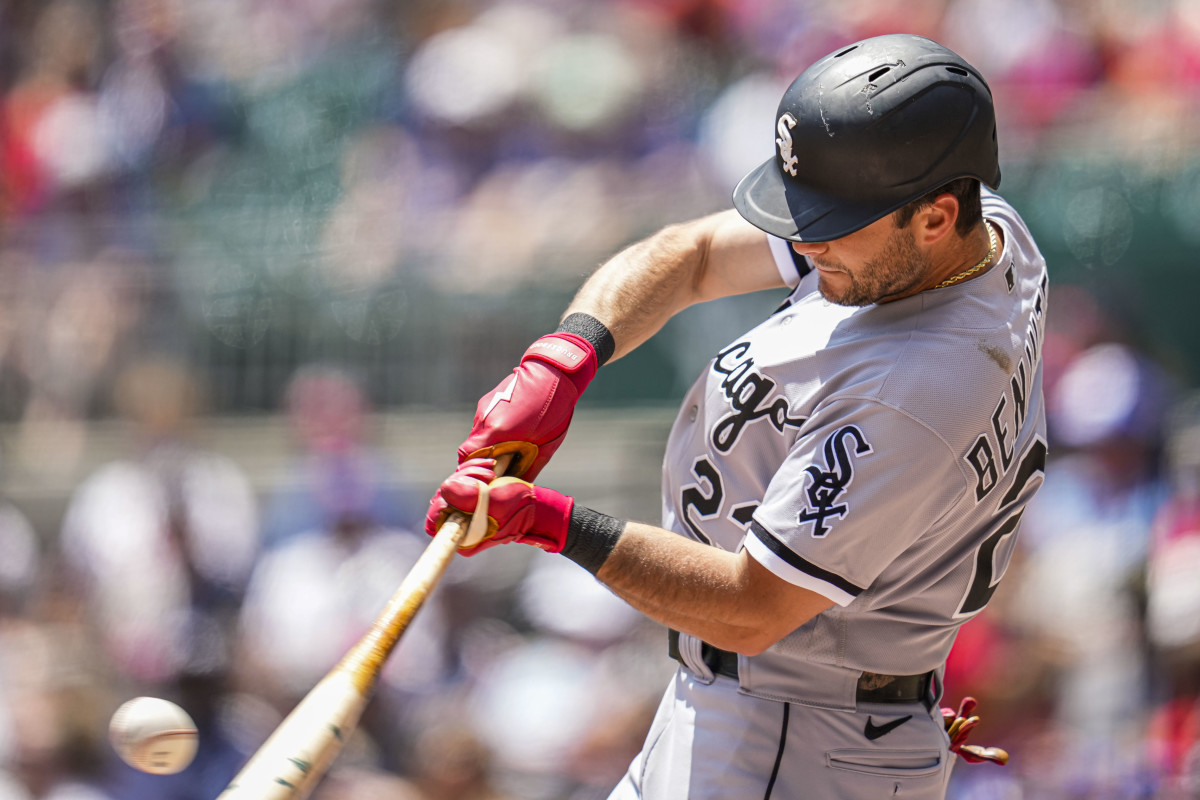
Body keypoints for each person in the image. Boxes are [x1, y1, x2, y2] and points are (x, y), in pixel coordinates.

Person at [426, 33, 1049, 799]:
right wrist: (564, 357)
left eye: (832, 219)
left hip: (796, 738)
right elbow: (692, 254)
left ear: (934, 215)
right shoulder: (976, 235)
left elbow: (751, 610)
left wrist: (550, 524)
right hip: (768, 710)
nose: (804, 238)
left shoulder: (918, 387)